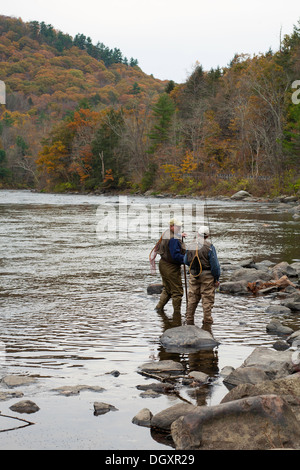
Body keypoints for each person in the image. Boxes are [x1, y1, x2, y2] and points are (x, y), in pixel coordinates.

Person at [184, 225, 220, 326]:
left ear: (197, 234)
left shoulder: (190, 245)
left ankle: (189, 319)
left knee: (192, 297)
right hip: (207, 276)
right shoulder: (210, 247)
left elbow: (185, 260)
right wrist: (216, 278)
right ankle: (207, 321)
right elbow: (215, 266)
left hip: (194, 274)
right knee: (207, 299)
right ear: (207, 236)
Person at [155, 218, 186, 316]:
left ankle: (158, 309)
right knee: (177, 292)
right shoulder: (173, 239)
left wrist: (180, 235)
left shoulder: (166, 233)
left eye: (180, 226)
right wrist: (187, 259)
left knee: (168, 289)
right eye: (177, 226)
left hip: (163, 264)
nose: (179, 228)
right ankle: (177, 315)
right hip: (170, 267)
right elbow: (176, 256)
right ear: (171, 226)